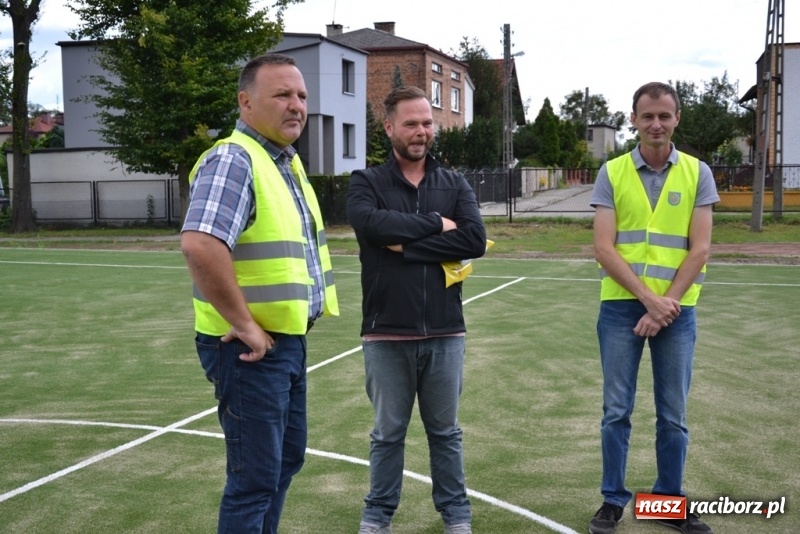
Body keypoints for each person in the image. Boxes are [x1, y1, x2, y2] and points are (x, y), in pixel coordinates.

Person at [180, 53, 339, 534]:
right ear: (245, 103)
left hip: (283, 343)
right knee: (255, 480)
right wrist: (247, 325)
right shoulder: (234, 158)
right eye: (282, 95)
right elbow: (201, 244)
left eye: (302, 96)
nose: (296, 106)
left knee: (282, 464)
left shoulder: (284, 165)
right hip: (249, 350)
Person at [346, 86, 487, 534]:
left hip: (446, 332)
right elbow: (369, 225)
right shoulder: (366, 182)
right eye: (411, 123)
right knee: (387, 434)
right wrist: (434, 225)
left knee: (445, 434)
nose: (422, 131)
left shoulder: (454, 183)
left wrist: (403, 247)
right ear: (389, 127)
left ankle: (456, 516)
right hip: (386, 332)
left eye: (427, 122)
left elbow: (473, 241)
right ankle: (377, 516)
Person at [587, 82, 719, 534]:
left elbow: (699, 249)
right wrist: (648, 300)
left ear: (677, 118)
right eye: (648, 117)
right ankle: (612, 500)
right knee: (616, 411)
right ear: (634, 120)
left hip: (678, 314)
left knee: (673, 415)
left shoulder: (699, 173)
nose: (656, 125)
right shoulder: (613, 172)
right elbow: (604, 249)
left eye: (664, 116)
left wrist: (667, 306)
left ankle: (666, 504)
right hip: (623, 309)